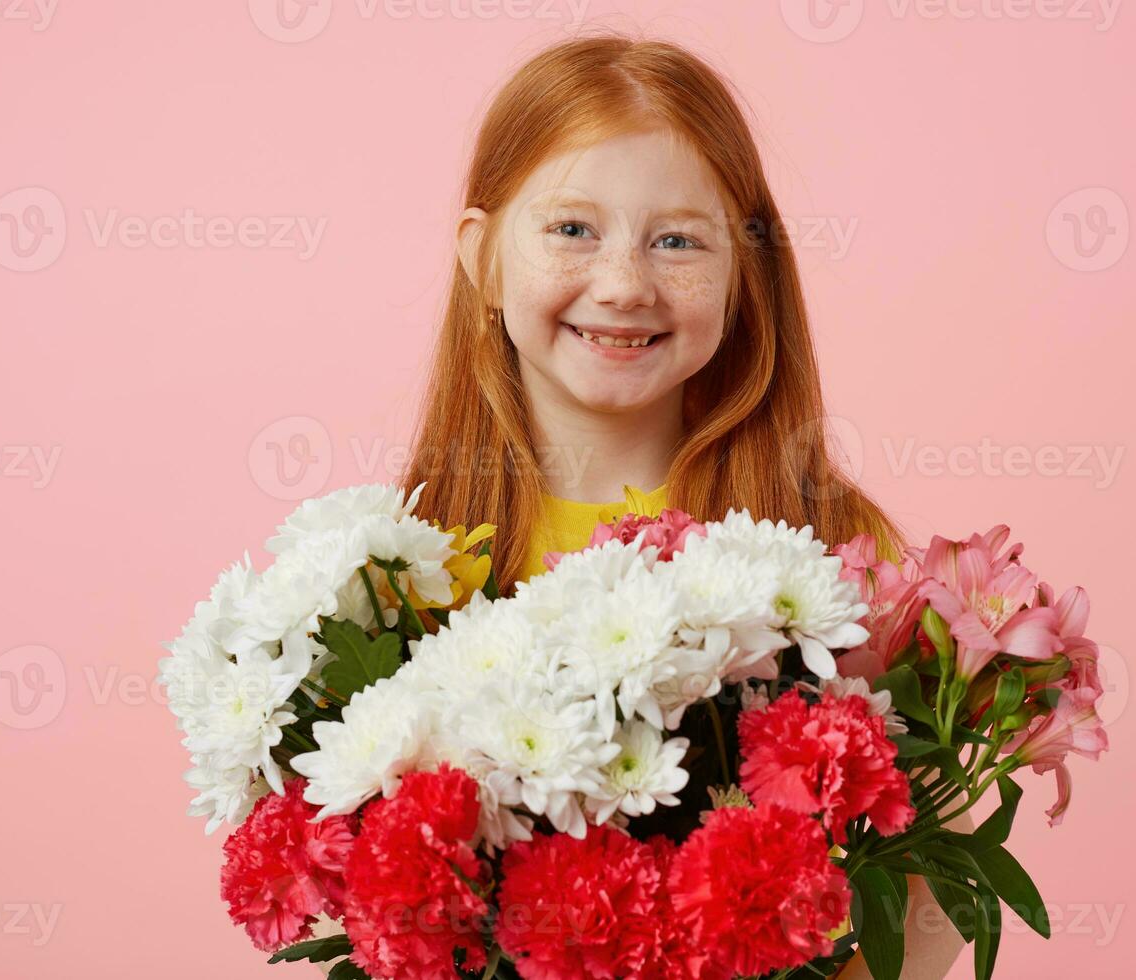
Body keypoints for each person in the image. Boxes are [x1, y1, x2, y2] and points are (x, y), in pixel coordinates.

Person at [400, 31, 968, 978]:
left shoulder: (836, 555)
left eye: (678, 241)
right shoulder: (401, 574)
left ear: (747, 273)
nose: (624, 284)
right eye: (572, 228)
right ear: (483, 258)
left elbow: (933, 887)